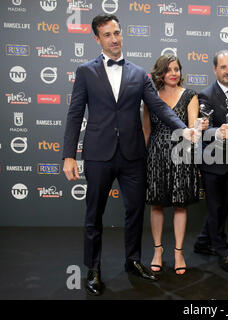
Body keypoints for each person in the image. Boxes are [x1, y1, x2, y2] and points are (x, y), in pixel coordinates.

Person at [62, 14, 193, 296]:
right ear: (97, 39)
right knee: (93, 214)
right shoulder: (85, 71)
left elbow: (159, 107)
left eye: (117, 33)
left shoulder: (138, 73)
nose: (114, 39)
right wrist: (68, 155)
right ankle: (94, 269)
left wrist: (183, 129)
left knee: (134, 212)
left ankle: (133, 261)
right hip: (99, 154)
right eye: (107, 35)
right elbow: (74, 115)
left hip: (133, 155)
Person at [142, 54, 207, 275]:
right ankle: (158, 251)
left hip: (182, 154)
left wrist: (200, 128)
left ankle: (178, 252)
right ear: (160, 73)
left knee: (180, 204)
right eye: (168, 69)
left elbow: (192, 128)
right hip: (156, 154)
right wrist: (146, 157)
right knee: (156, 205)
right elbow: (146, 130)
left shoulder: (190, 95)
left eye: (176, 69)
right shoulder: (151, 96)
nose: (173, 73)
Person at [193, 50, 228, 273]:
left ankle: (202, 241)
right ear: (215, 70)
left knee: (224, 206)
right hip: (213, 161)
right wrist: (218, 131)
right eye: (223, 67)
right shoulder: (205, 95)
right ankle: (222, 251)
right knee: (216, 208)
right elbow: (202, 129)